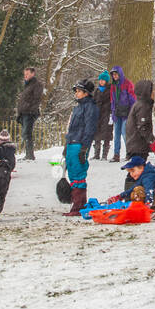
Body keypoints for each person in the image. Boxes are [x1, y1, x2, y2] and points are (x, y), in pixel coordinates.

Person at [63, 79, 98, 215]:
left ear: (86, 93)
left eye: (78, 91)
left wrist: (85, 147)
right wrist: (66, 145)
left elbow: (90, 128)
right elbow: (71, 128)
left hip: (80, 144)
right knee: (71, 173)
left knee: (78, 173)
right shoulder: (77, 108)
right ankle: (75, 204)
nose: (76, 93)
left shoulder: (91, 107)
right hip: (72, 142)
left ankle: (79, 206)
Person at [108, 66, 136, 162]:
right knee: (116, 134)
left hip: (127, 112)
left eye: (116, 74)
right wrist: (112, 112)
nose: (115, 76)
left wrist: (132, 112)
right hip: (117, 112)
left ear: (120, 73)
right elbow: (112, 101)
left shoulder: (127, 84)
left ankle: (130, 153)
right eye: (113, 75)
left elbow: (133, 98)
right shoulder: (113, 86)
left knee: (125, 133)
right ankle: (116, 155)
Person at [16, 66, 44, 161]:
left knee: (27, 133)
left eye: (27, 74)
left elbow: (37, 99)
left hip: (30, 112)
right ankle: (28, 154)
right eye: (25, 74)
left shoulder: (37, 84)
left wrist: (31, 109)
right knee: (25, 133)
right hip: (24, 112)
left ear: (33, 74)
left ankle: (30, 155)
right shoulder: (27, 85)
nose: (25, 76)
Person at [125, 79, 155, 159]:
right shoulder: (143, 106)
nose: (154, 92)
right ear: (146, 92)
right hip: (137, 147)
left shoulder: (141, 104)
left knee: (137, 169)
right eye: (152, 90)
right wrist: (152, 141)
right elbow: (143, 126)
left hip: (137, 145)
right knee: (137, 169)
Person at [92, 72, 112, 160]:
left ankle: (104, 155)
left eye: (103, 80)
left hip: (107, 114)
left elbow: (113, 102)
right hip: (97, 115)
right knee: (97, 134)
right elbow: (93, 101)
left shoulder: (111, 89)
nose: (101, 81)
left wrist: (111, 114)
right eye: (100, 80)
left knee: (107, 134)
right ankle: (96, 154)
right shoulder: (97, 90)